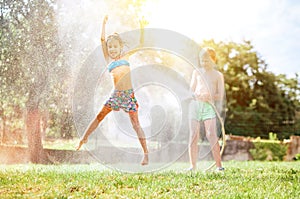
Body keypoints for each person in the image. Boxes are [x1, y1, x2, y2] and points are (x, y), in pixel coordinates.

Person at [76, 15, 149, 166]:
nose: (112, 49)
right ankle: (84, 138)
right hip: (116, 95)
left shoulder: (126, 56)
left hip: (128, 95)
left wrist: (141, 27)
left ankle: (146, 154)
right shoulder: (109, 60)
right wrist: (103, 24)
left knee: (136, 125)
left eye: (115, 46)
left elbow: (141, 44)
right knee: (99, 116)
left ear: (120, 47)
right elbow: (102, 41)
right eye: (110, 47)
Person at [188, 47, 225, 171]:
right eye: (202, 61)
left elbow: (220, 95)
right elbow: (190, 91)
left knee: (211, 135)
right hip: (195, 106)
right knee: (193, 135)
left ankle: (219, 167)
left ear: (213, 60)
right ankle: (192, 166)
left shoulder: (218, 75)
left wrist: (209, 96)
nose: (204, 63)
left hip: (209, 106)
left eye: (207, 61)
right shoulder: (196, 72)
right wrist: (195, 95)